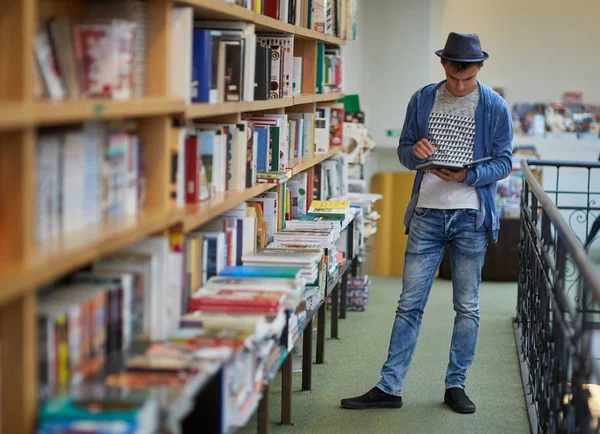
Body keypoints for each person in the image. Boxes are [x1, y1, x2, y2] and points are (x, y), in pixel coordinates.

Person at [341, 32, 513, 414]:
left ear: (480, 68)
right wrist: (415, 152)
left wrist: (466, 177)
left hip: (471, 217)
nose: (459, 85)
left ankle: (456, 385)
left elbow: (503, 162)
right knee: (409, 303)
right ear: (443, 65)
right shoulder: (422, 98)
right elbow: (405, 151)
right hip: (426, 214)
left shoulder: (495, 107)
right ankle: (390, 387)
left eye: (467, 79)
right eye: (453, 77)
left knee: (467, 306)